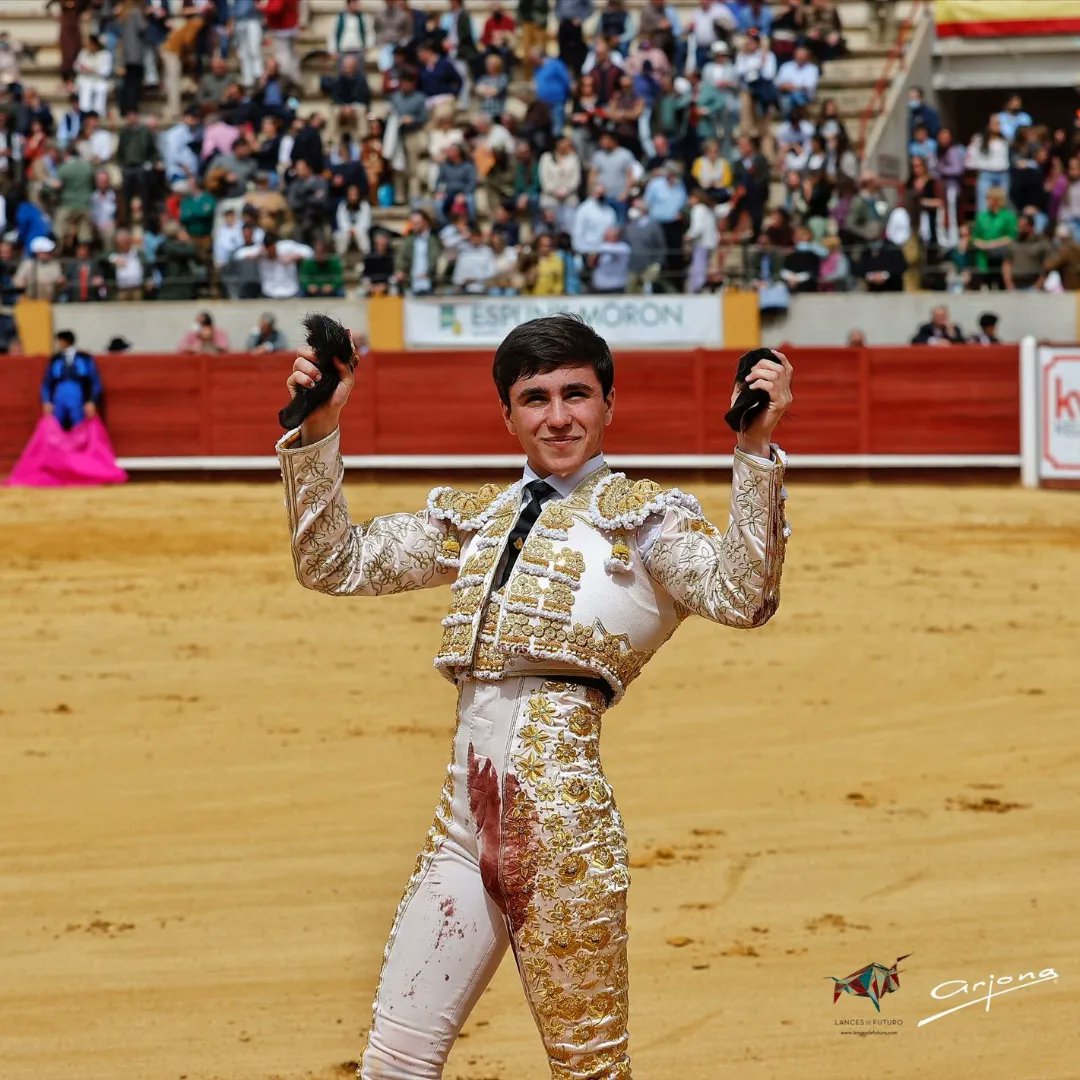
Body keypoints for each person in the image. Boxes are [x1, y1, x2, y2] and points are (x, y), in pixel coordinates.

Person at [275, 313, 792, 1080]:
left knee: (588, 1070)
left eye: (576, 395)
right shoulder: (476, 521)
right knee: (393, 1064)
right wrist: (320, 431)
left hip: (563, 839)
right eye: (536, 398)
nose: (558, 416)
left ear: (609, 404)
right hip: (460, 829)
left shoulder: (645, 522)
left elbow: (743, 595)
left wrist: (753, 448)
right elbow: (334, 563)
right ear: (508, 415)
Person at [41, 330, 102, 431]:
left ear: (64, 341)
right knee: (56, 426)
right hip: (59, 394)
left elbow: (94, 381)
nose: (58, 344)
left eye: (59, 341)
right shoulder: (55, 359)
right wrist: (46, 401)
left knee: (79, 425)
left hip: (78, 393)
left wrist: (92, 401)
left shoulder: (84, 358)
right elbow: (47, 382)